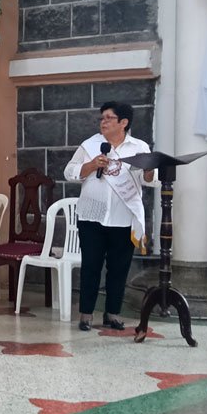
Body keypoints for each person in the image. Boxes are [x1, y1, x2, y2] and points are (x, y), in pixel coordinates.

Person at [63, 101, 156, 331]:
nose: (103, 122)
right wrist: (91, 165)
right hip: (91, 216)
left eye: (108, 118)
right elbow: (69, 172)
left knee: (119, 267)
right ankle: (85, 315)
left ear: (123, 123)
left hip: (123, 217)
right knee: (91, 266)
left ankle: (112, 313)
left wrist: (148, 170)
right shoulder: (91, 145)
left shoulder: (139, 147)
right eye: (101, 118)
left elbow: (151, 180)